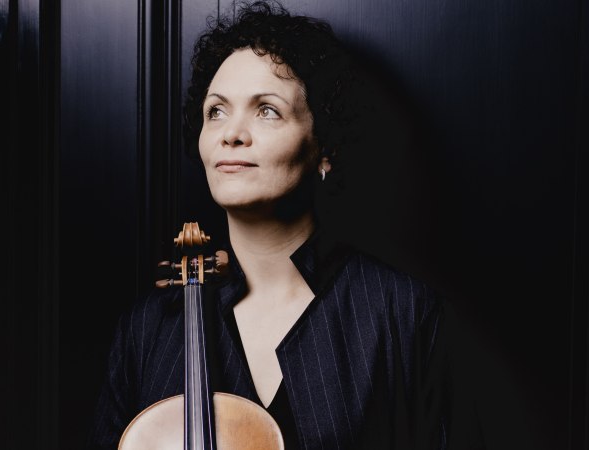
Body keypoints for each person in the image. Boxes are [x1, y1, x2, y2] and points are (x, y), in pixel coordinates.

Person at [87, 1, 484, 449]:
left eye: (267, 110)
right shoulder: (147, 331)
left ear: (325, 148)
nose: (230, 133)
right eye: (216, 110)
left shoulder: (403, 315)